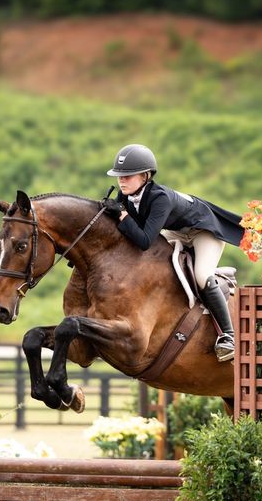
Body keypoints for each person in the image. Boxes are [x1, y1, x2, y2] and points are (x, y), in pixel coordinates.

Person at [100, 143, 243, 362]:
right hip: (175, 232)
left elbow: (145, 240)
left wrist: (123, 217)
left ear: (146, 176)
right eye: (120, 175)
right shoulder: (125, 195)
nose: (122, 180)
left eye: (128, 176)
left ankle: (229, 336)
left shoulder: (160, 198)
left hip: (203, 232)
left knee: (202, 275)